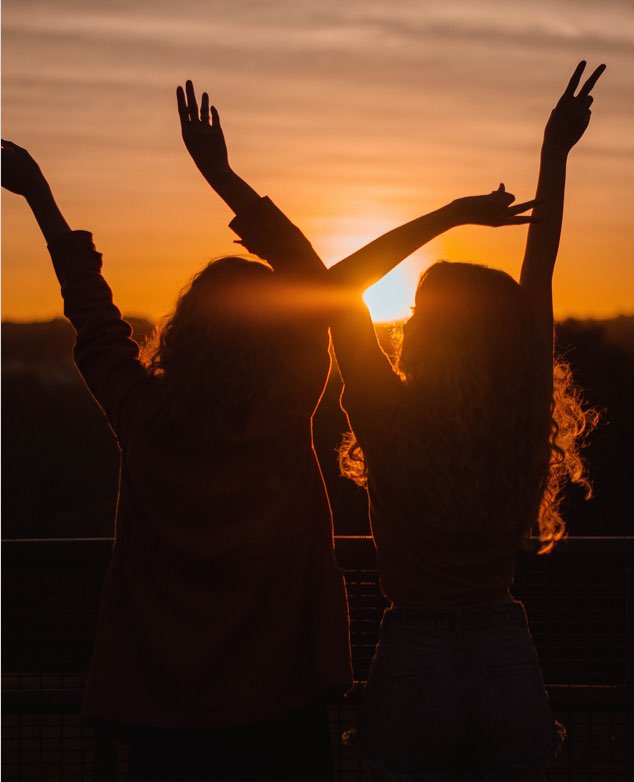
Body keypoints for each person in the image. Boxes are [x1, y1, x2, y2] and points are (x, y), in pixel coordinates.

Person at [0, 95, 535, 780]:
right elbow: (319, 284)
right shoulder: (285, 408)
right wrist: (222, 177)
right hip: (284, 701)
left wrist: (40, 197)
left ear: (185, 335)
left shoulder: (140, 414)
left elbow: (92, 311)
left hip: (163, 711)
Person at [329, 62, 604, 780]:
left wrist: (452, 214)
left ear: (424, 334)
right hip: (503, 643)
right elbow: (538, 269)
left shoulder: (389, 416)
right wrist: (555, 152)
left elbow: (335, 290)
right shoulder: (518, 409)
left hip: (413, 644)